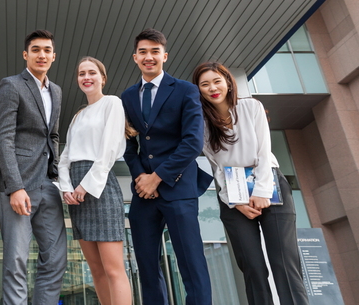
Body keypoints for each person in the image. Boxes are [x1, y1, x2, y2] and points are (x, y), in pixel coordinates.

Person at [193, 62, 309, 305]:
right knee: (253, 266)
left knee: (284, 263)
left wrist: (262, 191)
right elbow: (217, 167)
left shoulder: (250, 106)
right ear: (198, 90)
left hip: (269, 184)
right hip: (232, 193)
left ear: (227, 81)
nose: (212, 88)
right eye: (204, 84)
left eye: (217, 81)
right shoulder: (201, 123)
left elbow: (264, 152)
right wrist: (234, 201)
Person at [120, 28, 213, 305]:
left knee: (191, 265)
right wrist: (140, 178)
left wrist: (157, 177)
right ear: (135, 57)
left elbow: (193, 142)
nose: (149, 57)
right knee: (147, 268)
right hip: (143, 194)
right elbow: (127, 144)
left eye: (155, 52)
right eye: (143, 52)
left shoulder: (186, 90)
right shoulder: (126, 96)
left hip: (178, 186)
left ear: (165, 56)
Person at [0, 29, 67, 305]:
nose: (42, 54)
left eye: (47, 50)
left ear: (53, 56)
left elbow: (54, 135)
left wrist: (56, 175)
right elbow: (3, 137)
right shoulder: (11, 85)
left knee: (56, 257)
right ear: (26, 55)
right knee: (16, 260)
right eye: (36, 49)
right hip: (19, 186)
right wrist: (14, 187)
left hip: (47, 184)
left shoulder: (56, 91)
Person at [59, 57, 134, 305]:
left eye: (92, 72)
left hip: (99, 186)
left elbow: (110, 150)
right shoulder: (78, 115)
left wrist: (85, 185)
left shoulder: (112, 103)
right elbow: (65, 157)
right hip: (76, 192)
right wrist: (67, 188)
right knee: (96, 269)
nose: (86, 77)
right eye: (81, 73)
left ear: (103, 78)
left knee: (113, 269)